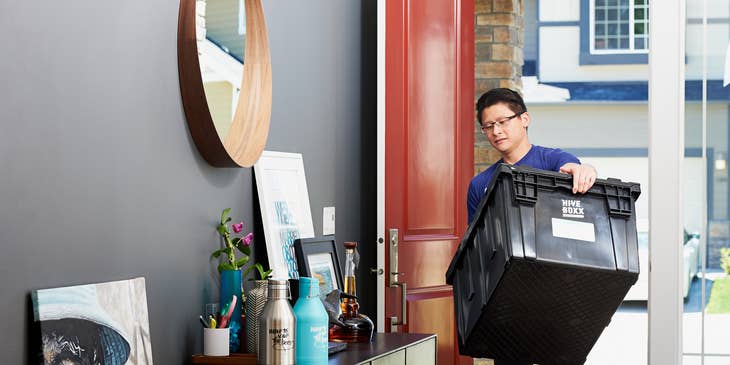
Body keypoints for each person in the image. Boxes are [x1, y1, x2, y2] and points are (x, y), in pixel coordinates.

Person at [468, 88, 597, 223]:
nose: (496, 131)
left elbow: (572, 168)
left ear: (524, 119)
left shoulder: (554, 160)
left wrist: (585, 170)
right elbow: (475, 239)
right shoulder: (479, 184)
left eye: (503, 121)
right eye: (488, 126)